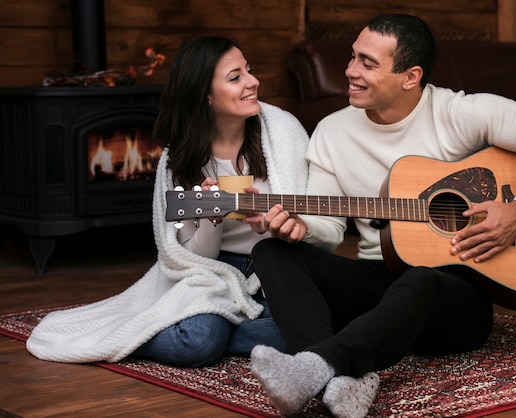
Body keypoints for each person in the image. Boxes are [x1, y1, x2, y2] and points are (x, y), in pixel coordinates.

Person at [248, 14, 516, 417]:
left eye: (367, 63)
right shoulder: (332, 131)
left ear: (410, 76)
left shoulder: (458, 113)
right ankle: (340, 380)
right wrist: (301, 228)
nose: (350, 71)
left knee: (420, 277)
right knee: (272, 251)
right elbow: (328, 232)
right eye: (352, 57)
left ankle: (315, 367)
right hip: (378, 286)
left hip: (454, 299)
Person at [26, 36, 310, 368]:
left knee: (308, 327)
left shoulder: (283, 132)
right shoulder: (183, 159)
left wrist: (273, 224)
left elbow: (306, 220)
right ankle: (150, 335)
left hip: (277, 262)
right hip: (216, 269)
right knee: (199, 344)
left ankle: (222, 330)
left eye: (249, 70)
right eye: (236, 77)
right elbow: (191, 256)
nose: (253, 81)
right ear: (204, 94)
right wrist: (210, 219)